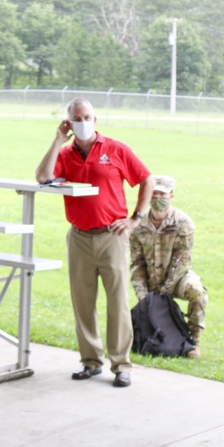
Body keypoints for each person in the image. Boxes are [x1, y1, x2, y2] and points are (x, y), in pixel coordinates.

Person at [35, 98, 155, 388]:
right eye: (77, 118)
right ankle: (90, 361)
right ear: (69, 122)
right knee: (83, 302)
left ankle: (121, 365)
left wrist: (135, 218)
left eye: (87, 116)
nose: (83, 122)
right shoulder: (66, 153)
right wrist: (58, 139)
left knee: (118, 302)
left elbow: (146, 179)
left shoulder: (115, 149)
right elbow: (43, 177)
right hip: (79, 237)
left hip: (112, 236)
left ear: (95, 119)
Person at [129, 175, 208, 358]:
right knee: (141, 306)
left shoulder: (183, 223)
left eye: (162, 194)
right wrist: (143, 294)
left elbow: (182, 260)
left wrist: (165, 290)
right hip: (150, 277)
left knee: (198, 292)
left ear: (171, 196)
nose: (158, 198)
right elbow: (137, 263)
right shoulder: (138, 225)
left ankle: (194, 341)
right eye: (154, 193)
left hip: (177, 278)